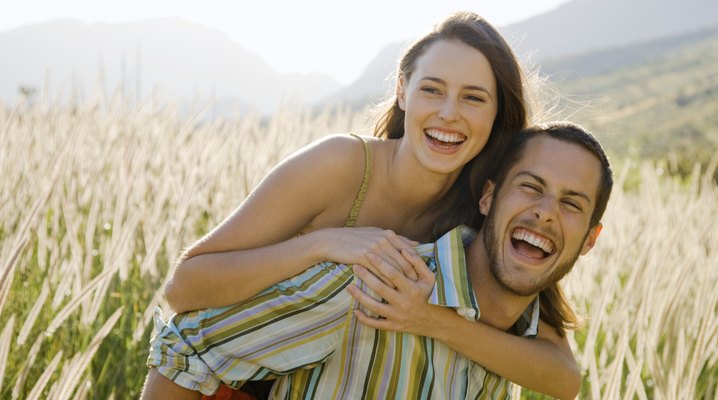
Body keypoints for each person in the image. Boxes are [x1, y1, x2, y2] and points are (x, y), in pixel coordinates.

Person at [148, 11, 580, 399]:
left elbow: (562, 375)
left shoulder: (482, 208)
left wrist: (431, 321)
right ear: (403, 92)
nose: (449, 113)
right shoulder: (339, 167)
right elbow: (183, 287)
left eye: (473, 98)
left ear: (497, 114)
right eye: (432, 90)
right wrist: (323, 243)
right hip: (221, 383)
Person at [141, 121, 613, 399]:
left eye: (571, 203)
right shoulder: (373, 284)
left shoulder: (525, 336)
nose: (546, 213)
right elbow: (189, 348)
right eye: (530, 186)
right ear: (488, 198)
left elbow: (565, 380)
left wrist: (434, 322)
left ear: (590, 240)